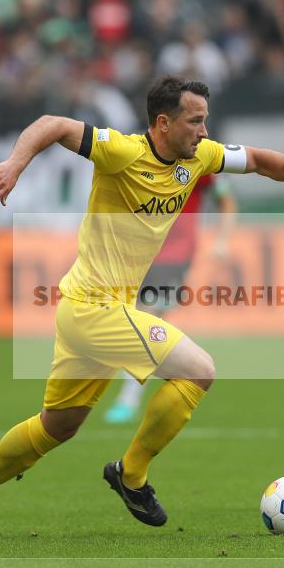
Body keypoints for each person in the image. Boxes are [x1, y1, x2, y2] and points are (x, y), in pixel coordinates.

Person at [0, 75, 284, 536]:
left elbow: (260, 161)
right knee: (199, 369)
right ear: (163, 123)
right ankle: (131, 475)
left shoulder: (199, 156)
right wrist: (14, 164)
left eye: (205, 121)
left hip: (88, 312)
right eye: (195, 121)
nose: (204, 132)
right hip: (94, 308)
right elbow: (51, 123)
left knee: (57, 426)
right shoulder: (122, 152)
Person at [104, 173, 237, 424]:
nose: (198, 132)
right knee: (135, 322)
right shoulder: (143, 158)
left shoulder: (198, 162)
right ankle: (177, 372)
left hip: (174, 258)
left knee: (146, 319)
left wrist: (223, 239)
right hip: (137, 255)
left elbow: (226, 199)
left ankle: (130, 397)